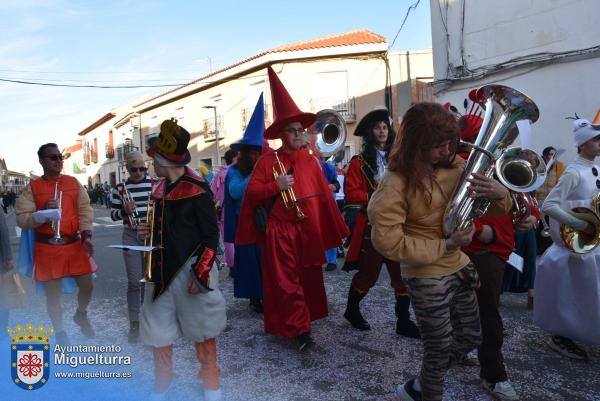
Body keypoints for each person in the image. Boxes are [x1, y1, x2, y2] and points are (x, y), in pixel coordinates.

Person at [367, 102, 511, 401]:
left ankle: (421, 382)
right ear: (415, 146)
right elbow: (388, 242)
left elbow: (493, 205)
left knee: (472, 335)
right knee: (438, 346)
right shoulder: (394, 184)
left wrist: (502, 194)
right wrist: (445, 244)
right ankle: (427, 390)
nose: (447, 151)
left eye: (449, 143)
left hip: (458, 265)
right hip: (424, 274)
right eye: (437, 146)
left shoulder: (456, 165)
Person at [236, 66, 348, 350]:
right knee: (286, 282)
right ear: (283, 134)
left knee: (308, 278)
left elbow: (320, 195)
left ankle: (303, 322)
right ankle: (300, 331)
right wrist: (277, 186)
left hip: (305, 230)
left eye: (301, 130)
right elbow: (252, 196)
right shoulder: (266, 162)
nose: (300, 134)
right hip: (279, 231)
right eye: (293, 130)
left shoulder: (310, 161)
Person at [138, 119, 226, 401]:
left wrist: (200, 275)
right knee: (157, 331)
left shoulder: (198, 189)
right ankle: (163, 381)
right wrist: (147, 232)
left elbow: (211, 237)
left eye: (153, 159)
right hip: (160, 271)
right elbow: (166, 230)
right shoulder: (159, 189)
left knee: (202, 328)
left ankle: (211, 382)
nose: (151, 164)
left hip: (190, 271)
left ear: (164, 160)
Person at [457, 111, 538, 401]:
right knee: (489, 313)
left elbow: (522, 197)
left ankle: (460, 347)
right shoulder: (463, 167)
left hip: (501, 247)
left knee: (478, 307)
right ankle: (493, 375)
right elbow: (453, 210)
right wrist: (481, 231)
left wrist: (530, 217)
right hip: (480, 248)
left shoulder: (500, 163)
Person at [342, 107, 419, 339]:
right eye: (377, 127)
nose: (382, 131)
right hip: (372, 226)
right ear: (370, 132)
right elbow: (352, 194)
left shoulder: (401, 158)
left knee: (401, 272)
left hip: (399, 223)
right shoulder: (358, 162)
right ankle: (351, 310)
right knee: (368, 273)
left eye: (385, 127)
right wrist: (380, 198)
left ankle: (403, 321)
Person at [15, 143, 95, 345]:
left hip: (74, 244)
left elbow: (85, 210)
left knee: (87, 285)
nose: (58, 161)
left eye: (60, 157)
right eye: (53, 157)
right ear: (42, 161)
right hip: (47, 247)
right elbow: (21, 219)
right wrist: (42, 212)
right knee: (53, 296)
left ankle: (81, 313)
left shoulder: (73, 182)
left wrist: (86, 235)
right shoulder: (31, 188)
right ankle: (60, 331)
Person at [535, 118, 600, 361]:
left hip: (594, 242)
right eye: (595, 140)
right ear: (582, 145)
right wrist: (579, 224)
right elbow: (549, 205)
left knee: (590, 293)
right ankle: (562, 334)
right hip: (577, 245)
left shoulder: (595, 169)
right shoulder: (573, 172)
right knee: (572, 293)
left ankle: (587, 330)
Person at [225, 93, 265, 313]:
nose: (255, 156)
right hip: (245, 224)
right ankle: (254, 297)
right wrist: (255, 175)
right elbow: (234, 192)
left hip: (263, 222)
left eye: (257, 152)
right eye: (251, 152)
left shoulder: (262, 165)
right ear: (244, 154)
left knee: (263, 260)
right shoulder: (234, 172)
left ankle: (265, 293)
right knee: (250, 261)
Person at [110, 151, 152, 343]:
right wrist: (123, 211)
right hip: (131, 235)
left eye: (142, 168)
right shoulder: (119, 188)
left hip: (151, 236)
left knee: (149, 280)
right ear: (127, 169)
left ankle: (149, 319)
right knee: (135, 281)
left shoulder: (154, 184)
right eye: (134, 169)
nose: (138, 172)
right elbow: (113, 216)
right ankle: (134, 322)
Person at [211, 148, 238, 274]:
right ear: (233, 158)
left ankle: (233, 267)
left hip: (225, 210)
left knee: (228, 240)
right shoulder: (239, 172)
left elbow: (213, 194)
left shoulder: (219, 174)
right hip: (241, 210)